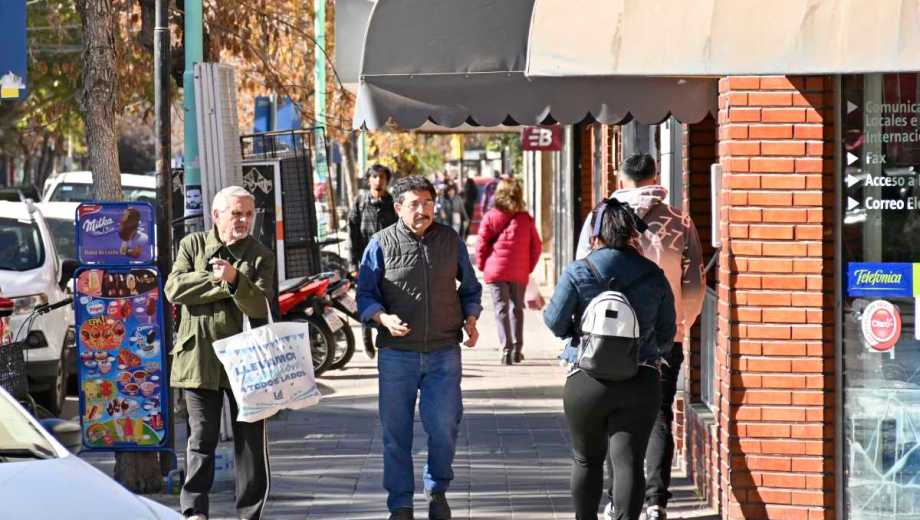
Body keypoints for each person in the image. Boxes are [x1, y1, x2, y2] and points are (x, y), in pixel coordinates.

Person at [575, 154, 705, 520]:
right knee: (659, 416)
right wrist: (681, 323)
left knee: (614, 419)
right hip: (663, 336)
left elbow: (582, 272)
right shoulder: (679, 220)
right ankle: (655, 502)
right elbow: (694, 281)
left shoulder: (600, 217)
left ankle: (617, 501)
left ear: (621, 177)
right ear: (656, 176)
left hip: (608, 336)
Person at [356, 176, 483, 520]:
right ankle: (400, 503)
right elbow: (364, 296)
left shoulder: (449, 240)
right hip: (397, 355)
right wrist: (382, 318)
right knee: (396, 432)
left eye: (428, 203)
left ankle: (437, 489)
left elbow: (471, 288)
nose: (423, 210)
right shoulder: (380, 244)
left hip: (444, 351)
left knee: (444, 425)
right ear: (398, 208)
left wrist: (471, 319)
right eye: (414, 204)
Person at [544, 198, 676, 520]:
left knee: (586, 459)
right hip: (639, 381)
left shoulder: (580, 270)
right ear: (631, 232)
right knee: (629, 461)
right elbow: (665, 334)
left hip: (586, 382)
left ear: (596, 233)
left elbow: (554, 322)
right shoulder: (653, 273)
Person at [164, 185, 275, 520]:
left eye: (248, 214)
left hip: (247, 362)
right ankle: (195, 510)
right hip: (199, 358)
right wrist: (224, 282)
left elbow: (259, 302)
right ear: (216, 215)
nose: (242, 220)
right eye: (235, 213)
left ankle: (250, 513)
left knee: (250, 442)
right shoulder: (192, 244)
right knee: (201, 438)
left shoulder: (261, 255)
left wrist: (234, 279)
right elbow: (175, 289)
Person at [475, 178, 541, 365]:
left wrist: (482, 265)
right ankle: (517, 350)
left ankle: (506, 349)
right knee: (517, 308)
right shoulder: (525, 219)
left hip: (495, 271)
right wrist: (528, 267)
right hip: (518, 271)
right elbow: (536, 246)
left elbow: (481, 244)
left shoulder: (490, 217)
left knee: (501, 309)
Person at [348, 163, 399, 359]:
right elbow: (352, 234)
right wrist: (353, 265)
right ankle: (366, 339)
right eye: (375, 177)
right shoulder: (360, 202)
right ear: (369, 179)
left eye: (383, 177)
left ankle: (385, 337)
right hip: (365, 262)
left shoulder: (392, 203)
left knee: (387, 300)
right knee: (367, 298)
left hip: (389, 261)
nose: (379, 181)